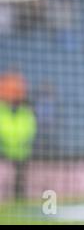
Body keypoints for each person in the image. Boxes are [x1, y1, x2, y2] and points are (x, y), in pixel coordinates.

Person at [0, 72, 37, 200]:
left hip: (21, 152)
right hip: (3, 151)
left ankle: (19, 198)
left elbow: (30, 128)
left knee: (20, 180)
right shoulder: (2, 110)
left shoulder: (25, 111)